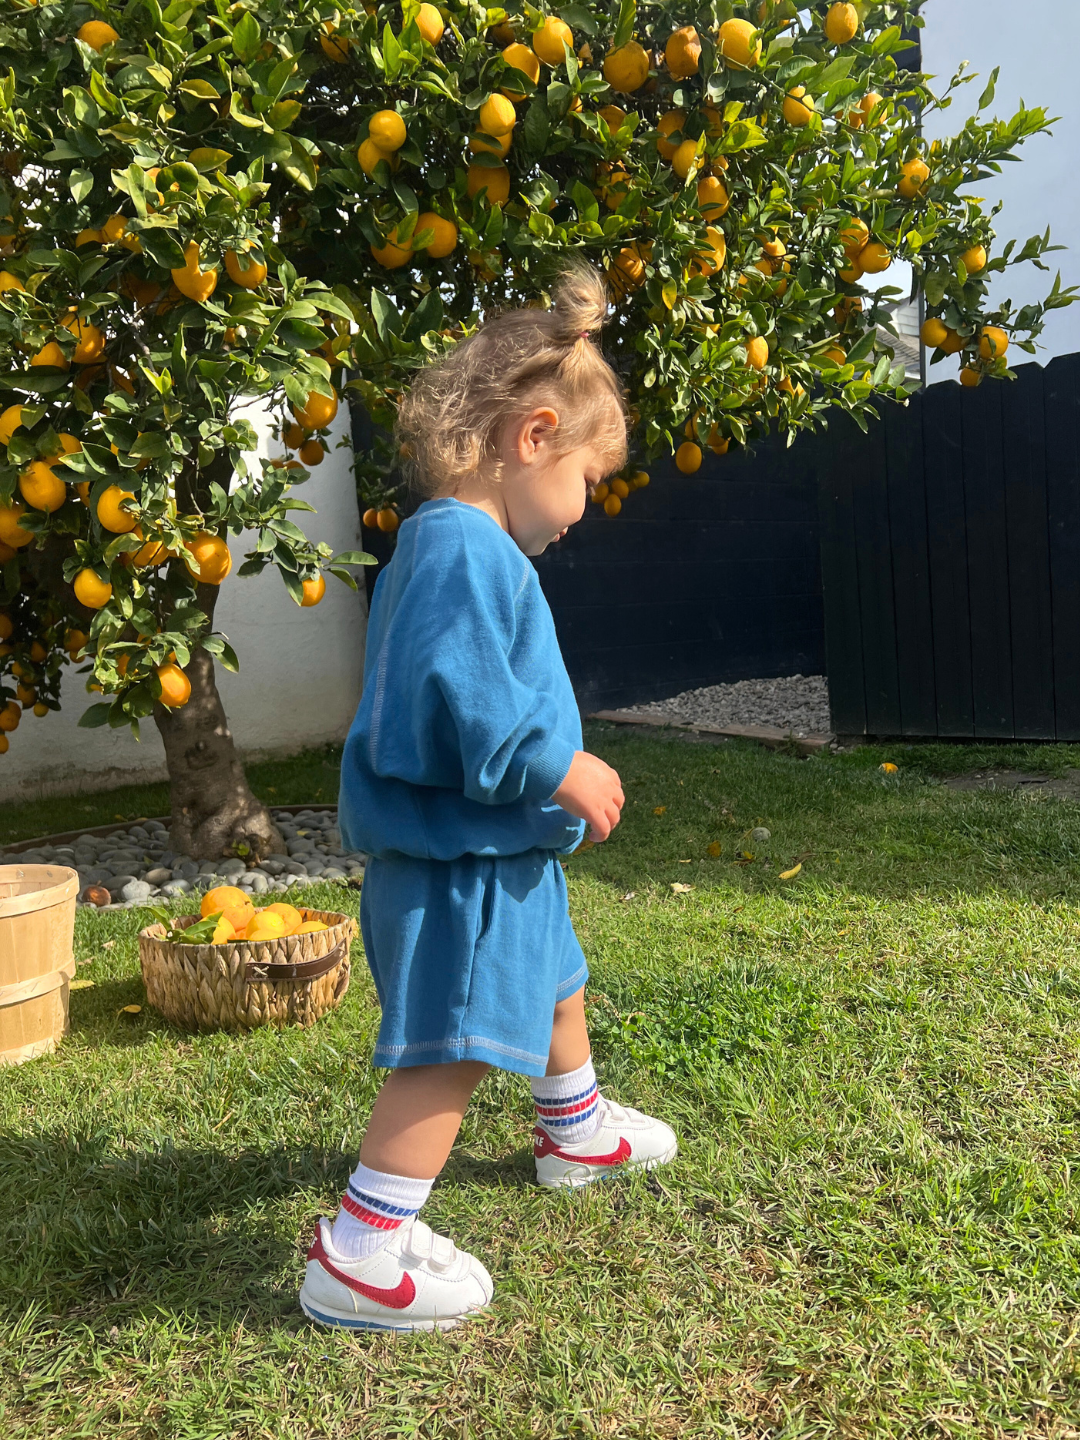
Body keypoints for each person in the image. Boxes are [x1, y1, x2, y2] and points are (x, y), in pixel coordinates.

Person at [299, 261, 678, 1333]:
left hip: (495, 856)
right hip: (459, 863)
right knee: (452, 1047)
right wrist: (560, 768)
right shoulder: (463, 550)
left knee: (555, 975)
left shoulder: (458, 547)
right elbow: (461, 706)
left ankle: (577, 1127)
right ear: (533, 437)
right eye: (589, 480)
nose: (585, 510)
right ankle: (362, 1253)